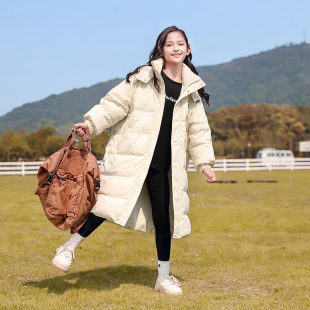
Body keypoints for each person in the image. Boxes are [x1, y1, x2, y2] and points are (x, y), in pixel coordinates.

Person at [51, 25, 216, 295]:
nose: (175, 48)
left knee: (165, 218)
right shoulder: (143, 78)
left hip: (164, 166)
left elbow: (197, 130)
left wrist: (204, 163)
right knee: (106, 206)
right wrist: (90, 124)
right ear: (161, 49)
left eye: (180, 44)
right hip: (132, 157)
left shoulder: (192, 91)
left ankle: (163, 277)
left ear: (188, 50)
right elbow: (115, 104)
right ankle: (68, 249)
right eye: (169, 44)